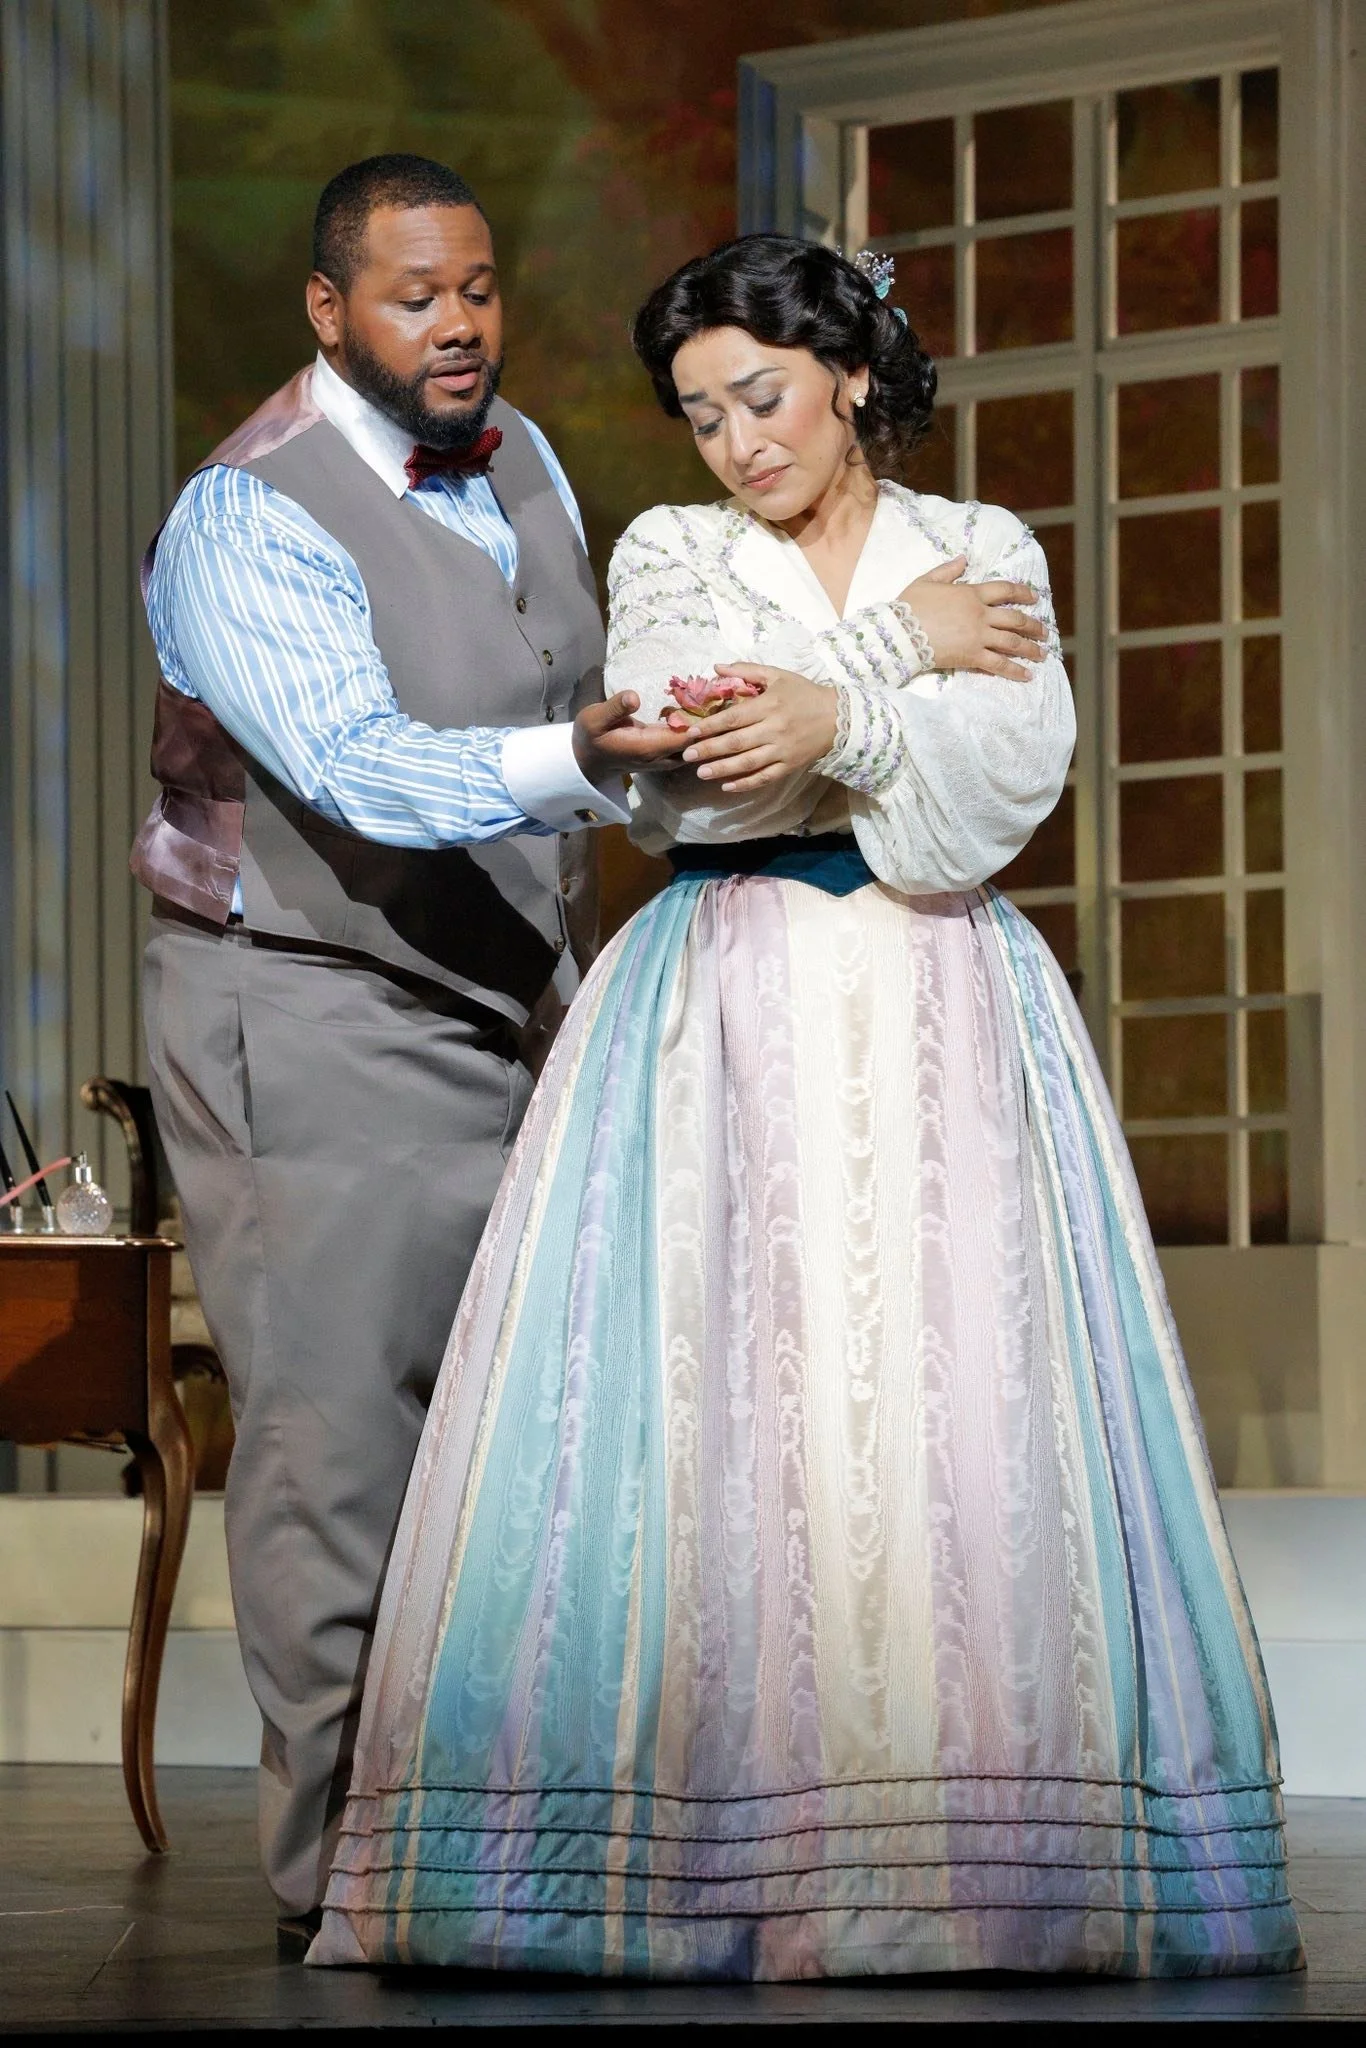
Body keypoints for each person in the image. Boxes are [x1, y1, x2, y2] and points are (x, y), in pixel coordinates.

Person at [310, 236, 1302, 1979]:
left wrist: (842, 692)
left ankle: (975, 1854)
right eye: (700, 415)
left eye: (761, 397)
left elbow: (1006, 780)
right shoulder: (675, 549)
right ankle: (698, 1858)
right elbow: (703, 759)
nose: (736, 444)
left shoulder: (979, 550)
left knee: (957, 1392)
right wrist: (893, 667)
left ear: (848, 375)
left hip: (940, 990)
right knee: (719, 1404)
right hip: (725, 999)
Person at [134, 154, 692, 1949]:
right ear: (326, 309)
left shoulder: (519, 453)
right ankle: (341, 1876)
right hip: (307, 1000)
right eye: (411, 296)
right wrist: (592, 763)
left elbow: (563, 686)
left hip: (501, 1003)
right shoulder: (245, 512)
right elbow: (366, 771)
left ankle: (503, 1843)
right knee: (337, 1441)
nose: (456, 326)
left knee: (518, 1441)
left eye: (476, 288)